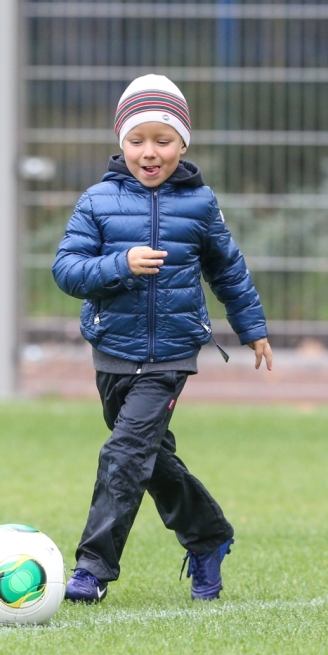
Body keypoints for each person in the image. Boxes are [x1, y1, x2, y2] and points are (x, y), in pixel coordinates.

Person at [51, 74, 272, 602]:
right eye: (137, 140)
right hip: (112, 351)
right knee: (146, 456)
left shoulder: (199, 204)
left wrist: (253, 328)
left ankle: (93, 569)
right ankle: (208, 538)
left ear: (183, 143)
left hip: (171, 354)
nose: (150, 153)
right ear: (120, 141)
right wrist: (120, 265)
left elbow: (229, 271)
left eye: (163, 140)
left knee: (124, 454)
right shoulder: (97, 201)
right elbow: (66, 270)